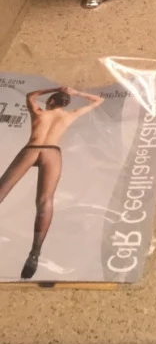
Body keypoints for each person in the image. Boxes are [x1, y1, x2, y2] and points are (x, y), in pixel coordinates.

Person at [0, 85, 104, 279]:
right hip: (52, 153)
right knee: (45, 201)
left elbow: (31, 94)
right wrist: (76, 93)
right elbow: (99, 100)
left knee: (2, 191)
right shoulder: (69, 116)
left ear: (50, 101)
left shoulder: (40, 112)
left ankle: (34, 253)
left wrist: (55, 88)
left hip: (33, 148)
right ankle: (35, 253)